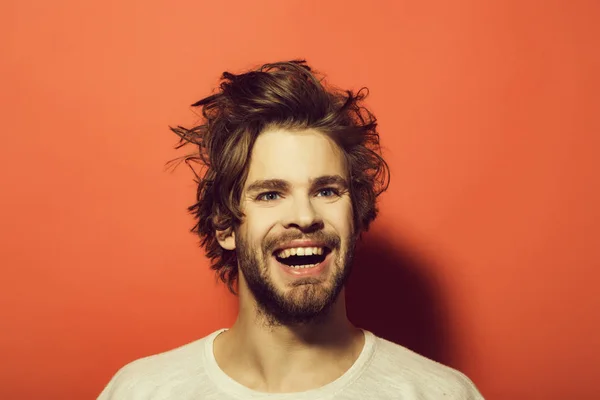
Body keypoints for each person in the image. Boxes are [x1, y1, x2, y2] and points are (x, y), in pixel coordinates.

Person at [98, 60, 484, 399]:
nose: (304, 215)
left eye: (327, 190)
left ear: (356, 214)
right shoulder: (140, 391)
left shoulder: (439, 393)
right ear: (225, 226)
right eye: (270, 194)